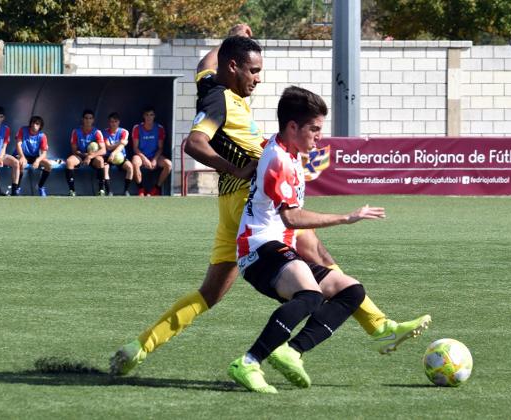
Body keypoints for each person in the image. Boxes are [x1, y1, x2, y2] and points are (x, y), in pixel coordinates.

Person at [109, 25, 430, 376]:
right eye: (254, 70)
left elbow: (205, 62)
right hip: (249, 197)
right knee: (318, 256)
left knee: (209, 294)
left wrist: (231, 37)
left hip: (230, 205)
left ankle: (138, 347)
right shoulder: (219, 101)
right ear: (233, 67)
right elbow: (194, 143)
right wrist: (237, 167)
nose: (258, 79)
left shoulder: (210, 86)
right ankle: (377, 326)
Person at [228, 86, 389, 393]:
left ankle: (292, 351)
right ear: (292, 127)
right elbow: (292, 218)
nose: (319, 136)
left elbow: (258, 158)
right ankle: (248, 362)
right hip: (258, 249)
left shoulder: (281, 147)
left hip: (277, 248)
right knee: (311, 295)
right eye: (314, 129)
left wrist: (246, 171)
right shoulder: (279, 160)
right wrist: (345, 218)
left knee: (350, 290)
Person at [131, 106, 172, 196]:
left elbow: (160, 147)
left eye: (151, 115)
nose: (149, 117)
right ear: (143, 116)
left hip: (155, 156)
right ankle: (141, 189)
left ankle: (156, 188)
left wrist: (154, 160)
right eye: (147, 115)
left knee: (169, 164)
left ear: (154, 116)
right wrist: (145, 159)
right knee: (134, 162)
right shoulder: (137, 128)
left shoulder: (159, 128)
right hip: (141, 156)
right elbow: (135, 148)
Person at [65, 109, 106, 196]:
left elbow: (103, 150)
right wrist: (83, 154)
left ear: (93, 120)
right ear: (83, 119)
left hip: (92, 157)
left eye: (90, 118)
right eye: (86, 118)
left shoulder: (97, 132)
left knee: (100, 161)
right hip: (80, 156)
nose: (88, 120)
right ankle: (72, 191)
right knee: (69, 161)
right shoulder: (76, 132)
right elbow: (74, 150)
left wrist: (90, 156)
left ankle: (101, 190)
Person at [14, 115, 52, 197]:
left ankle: (40, 187)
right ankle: (17, 188)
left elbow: (44, 153)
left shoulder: (42, 136)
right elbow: (18, 144)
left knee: (48, 165)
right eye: (33, 123)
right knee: (21, 163)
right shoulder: (23, 130)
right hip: (22, 154)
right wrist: (22, 156)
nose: (34, 125)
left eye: (37, 124)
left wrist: (37, 160)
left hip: (34, 157)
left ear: (40, 126)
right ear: (30, 124)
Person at [103, 112, 133, 196]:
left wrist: (114, 152)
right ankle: (109, 191)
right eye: (111, 122)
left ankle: (126, 191)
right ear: (109, 122)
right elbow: (108, 147)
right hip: (108, 157)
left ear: (118, 122)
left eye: (115, 121)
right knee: (105, 168)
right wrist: (120, 142)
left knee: (130, 167)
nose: (113, 124)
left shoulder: (124, 132)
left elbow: (122, 146)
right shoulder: (105, 132)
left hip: (120, 157)